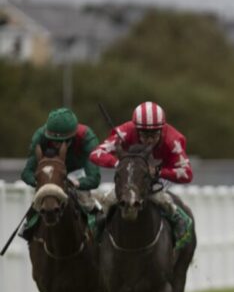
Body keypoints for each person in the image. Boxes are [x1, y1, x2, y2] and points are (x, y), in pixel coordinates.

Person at [89, 101, 194, 249]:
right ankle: (97, 232)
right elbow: (95, 154)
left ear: (162, 130)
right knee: (110, 200)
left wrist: (158, 171)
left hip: (160, 175)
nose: (150, 140)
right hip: (131, 174)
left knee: (158, 198)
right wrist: (119, 164)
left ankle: (177, 218)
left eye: (154, 134)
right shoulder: (125, 132)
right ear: (136, 130)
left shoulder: (173, 140)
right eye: (145, 134)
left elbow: (187, 173)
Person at [19, 107, 102, 239]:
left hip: (76, 175)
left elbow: (95, 178)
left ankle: (98, 236)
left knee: (89, 204)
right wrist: (41, 182)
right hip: (49, 177)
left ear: (73, 136)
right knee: (36, 205)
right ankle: (29, 230)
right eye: (53, 141)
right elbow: (26, 172)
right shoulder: (39, 137)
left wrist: (77, 183)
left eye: (63, 141)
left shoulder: (87, 138)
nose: (57, 145)